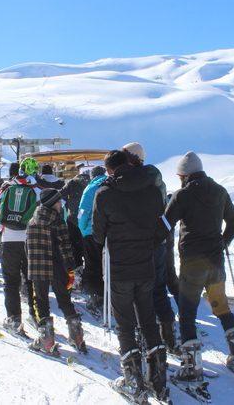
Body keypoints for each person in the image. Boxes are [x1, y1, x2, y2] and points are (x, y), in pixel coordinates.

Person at [163, 152, 234, 384]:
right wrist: (223, 241)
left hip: (192, 262)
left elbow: (165, 223)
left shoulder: (182, 195)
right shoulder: (219, 191)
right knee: (221, 307)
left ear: (185, 175)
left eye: (180, 175)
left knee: (187, 311)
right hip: (215, 261)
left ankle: (192, 367)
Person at [92, 150, 168, 402]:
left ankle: (133, 381)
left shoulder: (105, 194)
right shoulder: (151, 188)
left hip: (119, 269)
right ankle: (159, 379)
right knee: (148, 317)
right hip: (146, 266)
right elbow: (162, 227)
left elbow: (97, 234)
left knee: (125, 323)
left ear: (111, 170)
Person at [123, 142, 176, 353]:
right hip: (158, 240)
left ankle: (145, 335)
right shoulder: (157, 178)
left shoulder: (134, 180)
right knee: (159, 288)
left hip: (138, 242)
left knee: (139, 290)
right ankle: (169, 333)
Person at [26, 188, 85, 353]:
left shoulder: (32, 221)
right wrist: (71, 269)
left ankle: (47, 341)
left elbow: (28, 247)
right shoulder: (58, 221)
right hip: (57, 267)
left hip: (37, 267)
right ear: (53, 203)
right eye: (59, 201)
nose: (61, 204)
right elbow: (66, 247)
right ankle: (77, 336)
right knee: (65, 300)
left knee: (42, 302)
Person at [0, 162, 39, 332]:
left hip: (9, 240)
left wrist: (4, 229)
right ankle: (36, 315)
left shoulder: (6, 188)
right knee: (32, 278)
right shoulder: (35, 189)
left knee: (11, 281)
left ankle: (14, 319)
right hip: (30, 240)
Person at [77, 166, 107, 311]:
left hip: (92, 232)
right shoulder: (111, 183)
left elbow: (83, 211)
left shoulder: (91, 188)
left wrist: (83, 230)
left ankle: (95, 295)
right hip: (111, 233)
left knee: (92, 264)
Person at [61, 167, 91, 271]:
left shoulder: (72, 182)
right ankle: (88, 269)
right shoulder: (91, 183)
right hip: (87, 219)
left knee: (74, 245)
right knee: (86, 245)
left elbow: (61, 196)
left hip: (72, 218)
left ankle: (77, 270)